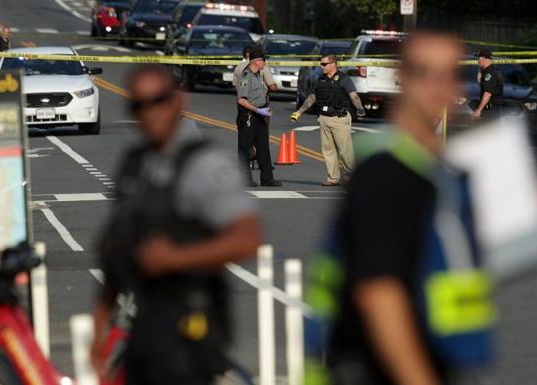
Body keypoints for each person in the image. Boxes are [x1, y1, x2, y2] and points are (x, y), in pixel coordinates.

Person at [324, 26, 489, 385]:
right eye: (423, 72)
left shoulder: (435, 168)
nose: (437, 86)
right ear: (401, 79)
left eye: (449, 74)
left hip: (433, 358)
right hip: (381, 370)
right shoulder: (386, 171)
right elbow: (379, 293)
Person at [91, 65, 261, 385]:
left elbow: (247, 238)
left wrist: (177, 259)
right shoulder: (134, 164)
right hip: (142, 327)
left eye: (158, 100)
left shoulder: (205, 164)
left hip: (192, 328)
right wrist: (100, 328)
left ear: (178, 101)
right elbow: (116, 252)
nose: (149, 112)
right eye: (138, 105)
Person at [290, 54, 365, 186]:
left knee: (345, 152)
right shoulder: (320, 80)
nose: (322, 66)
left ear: (333, 64)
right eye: (321, 64)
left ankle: (350, 176)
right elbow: (312, 97)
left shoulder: (344, 79)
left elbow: (353, 95)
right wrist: (299, 112)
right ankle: (333, 178)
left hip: (339, 118)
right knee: (328, 151)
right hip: (324, 118)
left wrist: (359, 108)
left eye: (324, 64)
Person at [237, 47, 282, 187]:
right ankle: (245, 179)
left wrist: (264, 109)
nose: (265, 64)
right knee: (245, 148)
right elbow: (241, 100)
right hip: (249, 115)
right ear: (257, 61)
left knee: (263, 148)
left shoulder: (257, 76)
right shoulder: (246, 76)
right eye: (264, 61)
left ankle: (267, 179)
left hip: (261, 114)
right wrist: (258, 110)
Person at [472, 50, 503, 121]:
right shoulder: (490, 70)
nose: (477, 61)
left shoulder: (490, 73)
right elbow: (480, 83)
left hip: (490, 111)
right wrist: (480, 69)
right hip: (490, 110)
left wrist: (478, 110)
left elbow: (488, 93)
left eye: (478, 58)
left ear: (483, 59)